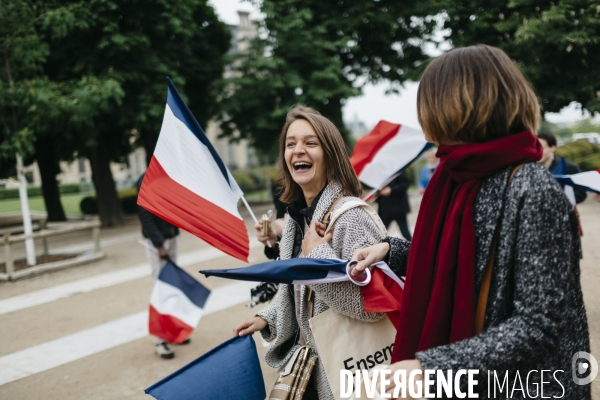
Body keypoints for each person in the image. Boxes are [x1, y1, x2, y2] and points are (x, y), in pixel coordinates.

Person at [349, 45, 590, 398]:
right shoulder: (454, 176)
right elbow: (454, 258)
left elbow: (540, 324)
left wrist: (431, 368)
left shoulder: (531, 187)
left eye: (428, 102)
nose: (424, 116)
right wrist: (390, 250)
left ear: (457, 105)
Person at [234, 109, 386, 399]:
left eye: (310, 143)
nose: (298, 150)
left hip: (352, 372)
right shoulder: (296, 218)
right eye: (290, 144)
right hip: (315, 370)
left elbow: (374, 306)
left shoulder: (350, 217)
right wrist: (268, 318)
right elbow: (296, 291)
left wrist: (319, 256)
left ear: (330, 154)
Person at [137, 174, 185, 359]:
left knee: (172, 285)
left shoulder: (170, 174)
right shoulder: (147, 179)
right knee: (160, 287)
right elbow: (145, 215)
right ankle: (160, 340)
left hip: (171, 236)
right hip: (158, 241)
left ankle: (171, 331)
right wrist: (158, 244)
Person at [538, 131, 587, 204]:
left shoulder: (569, 167)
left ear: (552, 148)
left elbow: (581, 192)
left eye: (541, 148)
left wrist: (561, 202)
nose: (538, 152)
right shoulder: (529, 169)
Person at [376, 172, 412, 240]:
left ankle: (415, 249)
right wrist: (376, 198)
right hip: (385, 209)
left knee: (405, 232)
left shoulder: (398, 169)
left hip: (398, 208)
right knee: (380, 234)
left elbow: (405, 184)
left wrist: (391, 190)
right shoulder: (379, 173)